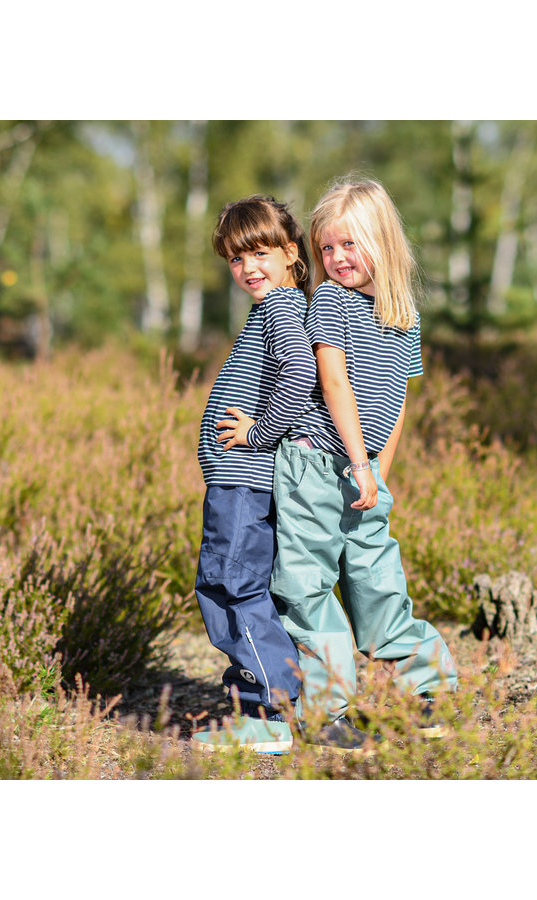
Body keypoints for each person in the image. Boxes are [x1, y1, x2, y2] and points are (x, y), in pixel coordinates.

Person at [269, 177, 458, 750]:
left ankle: (433, 688)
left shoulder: (405, 315)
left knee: (378, 583)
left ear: (383, 241)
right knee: (309, 588)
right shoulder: (330, 300)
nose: (336, 258)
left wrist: (381, 468)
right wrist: (360, 461)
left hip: (363, 474)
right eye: (327, 248)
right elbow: (333, 381)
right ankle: (329, 710)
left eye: (349, 244)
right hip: (314, 468)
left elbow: (398, 399)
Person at [192, 195, 316, 755]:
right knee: (237, 587)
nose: (248, 269)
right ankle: (254, 706)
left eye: (260, 253)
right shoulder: (273, 309)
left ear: (291, 252)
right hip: (236, 481)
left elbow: (300, 370)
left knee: (229, 585)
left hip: (244, 481)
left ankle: (272, 714)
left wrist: (258, 432)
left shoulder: (281, 309)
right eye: (236, 260)